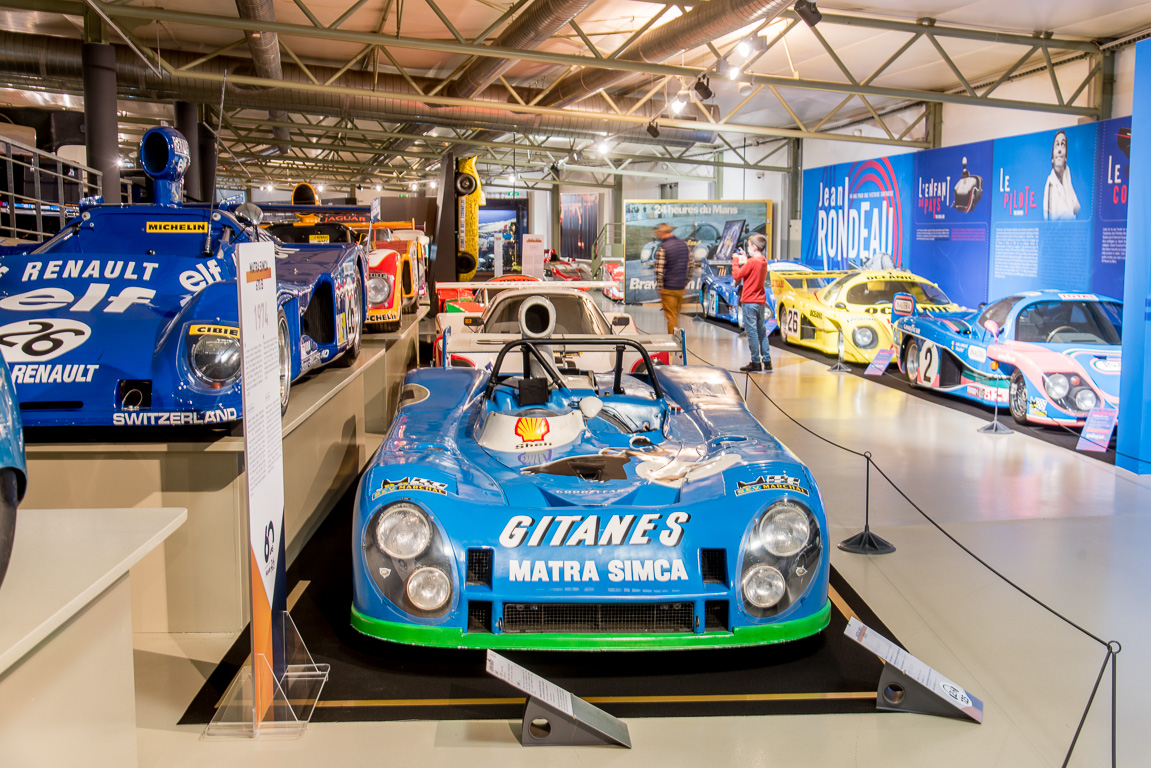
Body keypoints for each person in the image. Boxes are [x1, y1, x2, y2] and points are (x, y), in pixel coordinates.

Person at [732, 233, 772, 373]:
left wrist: (736, 261)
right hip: (760, 301)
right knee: (761, 332)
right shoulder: (762, 261)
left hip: (749, 301)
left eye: (748, 246)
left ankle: (755, 362)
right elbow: (751, 267)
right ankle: (767, 360)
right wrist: (745, 256)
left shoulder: (752, 262)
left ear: (754, 247)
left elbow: (737, 275)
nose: (747, 248)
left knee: (752, 333)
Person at [652, 222, 693, 334]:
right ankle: (678, 339)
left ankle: (673, 343)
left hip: (668, 288)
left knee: (671, 317)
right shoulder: (684, 245)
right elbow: (691, 265)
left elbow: (659, 270)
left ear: (661, 233)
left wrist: (660, 287)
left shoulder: (663, 247)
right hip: (680, 288)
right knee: (676, 315)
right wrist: (685, 281)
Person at [1043, 130, 1080, 220]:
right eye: (1057, 145)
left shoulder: (1068, 179)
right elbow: (1049, 220)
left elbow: (1077, 208)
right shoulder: (1050, 184)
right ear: (1052, 158)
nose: (1059, 150)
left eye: (1062, 145)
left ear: (1066, 157)